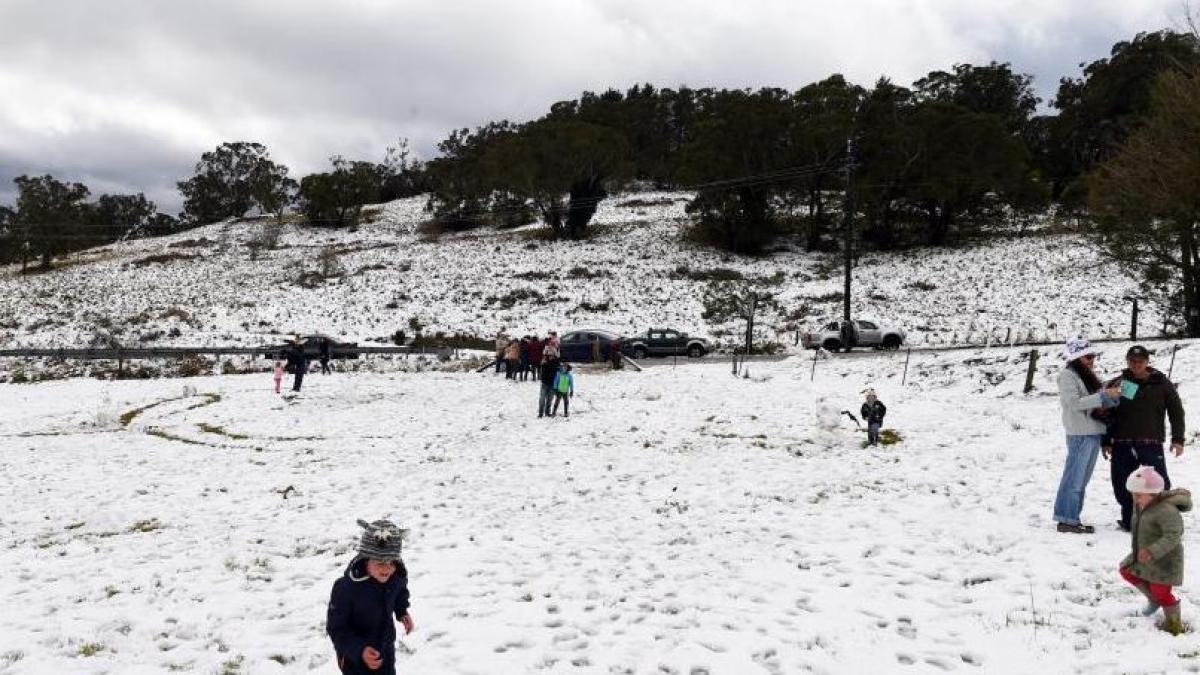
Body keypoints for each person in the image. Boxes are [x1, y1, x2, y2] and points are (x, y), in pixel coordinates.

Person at [1103, 345, 1186, 531]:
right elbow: (1107, 414)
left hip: (1150, 443)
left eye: (1140, 361)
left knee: (1158, 483)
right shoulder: (1119, 383)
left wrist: (1178, 439)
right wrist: (1106, 440)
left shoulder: (1162, 383)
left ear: (1147, 362)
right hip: (1122, 443)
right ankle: (1129, 520)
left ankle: (1162, 521)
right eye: (1132, 361)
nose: (1136, 364)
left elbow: (1176, 412)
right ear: (1127, 361)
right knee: (1122, 484)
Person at [327, 519, 415, 674]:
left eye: (391, 562)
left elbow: (400, 591)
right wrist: (359, 650)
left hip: (385, 650)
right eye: (380, 562)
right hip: (354, 659)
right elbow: (337, 629)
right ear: (365, 559)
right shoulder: (346, 588)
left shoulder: (395, 577)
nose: (387, 569)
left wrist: (402, 611)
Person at [1054, 336, 1121, 534]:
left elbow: (1097, 402)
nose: (1092, 361)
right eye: (1088, 357)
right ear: (1077, 358)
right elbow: (1074, 403)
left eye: (1093, 356)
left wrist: (1115, 396)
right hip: (1080, 434)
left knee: (1081, 480)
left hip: (1093, 433)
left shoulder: (1086, 376)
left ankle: (1071, 517)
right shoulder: (1068, 376)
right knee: (1074, 479)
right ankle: (1066, 519)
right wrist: (1104, 395)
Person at [1118, 466, 1191, 635]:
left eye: (1138, 495)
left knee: (1162, 592)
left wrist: (1152, 551)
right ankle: (1154, 599)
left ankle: (1174, 624)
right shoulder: (1143, 505)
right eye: (1133, 494)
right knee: (1126, 570)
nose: (1135, 499)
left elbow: (1173, 535)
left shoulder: (1166, 511)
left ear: (1153, 494)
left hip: (1165, 560)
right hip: (1144, 553)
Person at [538, 351, 560, 418]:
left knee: (550, 399)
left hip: (552, 384)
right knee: (542, 399)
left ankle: (547, 412)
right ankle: (540, 413)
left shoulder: (556, 363)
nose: (550, 356)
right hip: (544, 383)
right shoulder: (544, 362)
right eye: (549, 355)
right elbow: (542, 371)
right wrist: (543, 364)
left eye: (552, 355)